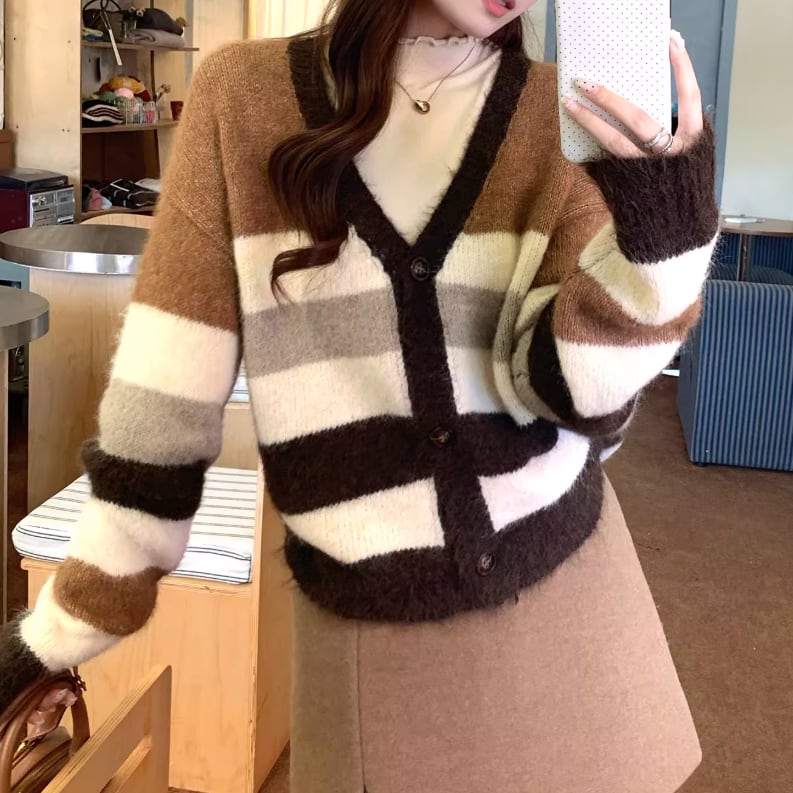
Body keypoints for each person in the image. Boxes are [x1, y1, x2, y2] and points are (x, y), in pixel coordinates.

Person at [1, 1, 719, 790]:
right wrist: (55, 634)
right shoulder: (243, 98)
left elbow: (574, 399)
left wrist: (661, 254)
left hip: (583, 628)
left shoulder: (558, 113)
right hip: (382, 661)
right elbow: (159, 414)